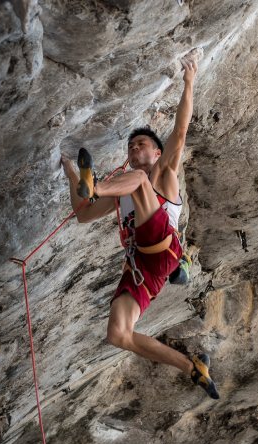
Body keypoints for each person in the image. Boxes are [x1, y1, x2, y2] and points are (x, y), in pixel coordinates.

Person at [60, 51, 218, 399]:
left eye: (141, 144)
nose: (134, 148)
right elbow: (83, 214)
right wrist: (70, 171)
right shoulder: (125, 191)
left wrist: (189, 80)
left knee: (137, 181)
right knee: (118, 334)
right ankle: (192, 367)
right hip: (147, 268)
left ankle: (94, 183)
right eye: (131, 146)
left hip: (164, 247)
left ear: (157, 153)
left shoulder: (162, 173)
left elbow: (180, 128)